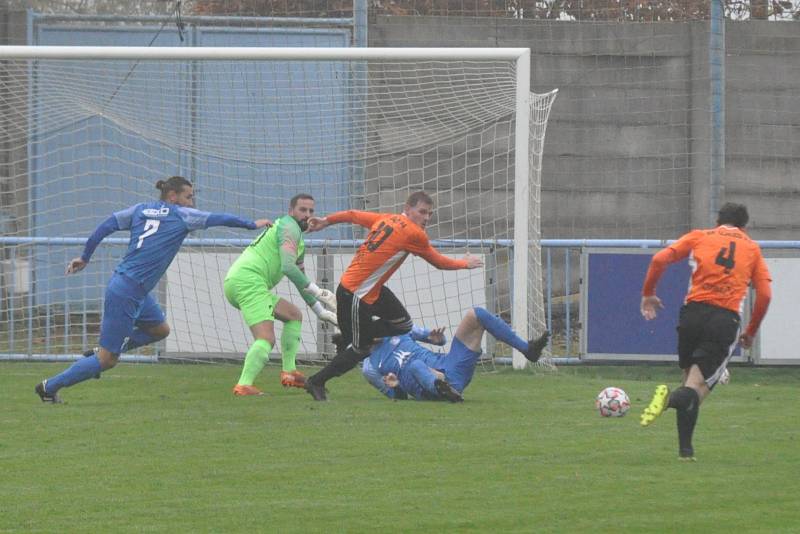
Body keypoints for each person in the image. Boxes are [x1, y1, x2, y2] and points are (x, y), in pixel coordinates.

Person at [35, 176, 271, 403]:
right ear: (172, 196)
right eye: (188, 197)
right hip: (127, 291)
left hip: (133, 289)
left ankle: (108, 346)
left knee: (160, 330)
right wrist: (251, 224)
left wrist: (85, 257)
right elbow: (219, 218)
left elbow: (106, 225)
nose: (192, 202)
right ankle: (49, 387)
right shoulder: (182, 214)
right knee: (107, 360)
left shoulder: (140, 209)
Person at [302, 191, 484, 401]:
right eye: (422, 212)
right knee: (362, 350)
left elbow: (352, 214)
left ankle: (353, 335)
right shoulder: (414, 234)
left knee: (403, 324)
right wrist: (465, 263)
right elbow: (439, 262)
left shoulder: (386, 219)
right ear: (407, 209)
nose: (426, 218)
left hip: (372, 290)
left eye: (429, 214)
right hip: (355, 293)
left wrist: (326, 221)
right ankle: (317, 381)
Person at [639, 202, 772, 460]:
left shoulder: (701, 236)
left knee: (690, 382)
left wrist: (648, 294)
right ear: (744, 226)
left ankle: (685, 453)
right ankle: (667, 401)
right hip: (724, 319)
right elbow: (765, 295)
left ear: (717, 222)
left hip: (692, 315)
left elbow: (659, 259)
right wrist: (751, 331)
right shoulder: (752, 248)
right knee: (696, 389)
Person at [224, 193, 338, 396]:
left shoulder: (297, 239)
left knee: (294, 315)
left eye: (311, 211)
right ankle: (243, 385)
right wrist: (319, 292)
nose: (307, 215)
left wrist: (320, 310)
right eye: (302, 210)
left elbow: (299, 277)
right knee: (266, 338)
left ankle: (289, 372)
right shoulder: (289, 227)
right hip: (247, 280)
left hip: (246, 282)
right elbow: (287, 267)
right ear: (290, 211)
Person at [361, 307, 550, 402]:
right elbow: (398, 397)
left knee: (476, 315)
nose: (376, 327)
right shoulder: (369, 367)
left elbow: (438, 340)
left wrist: (438, 339)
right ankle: (445, 391)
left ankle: (528, 350)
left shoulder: (399, 330)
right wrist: (396, 386)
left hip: (450, 365)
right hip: (427, 388)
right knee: (415, 365)